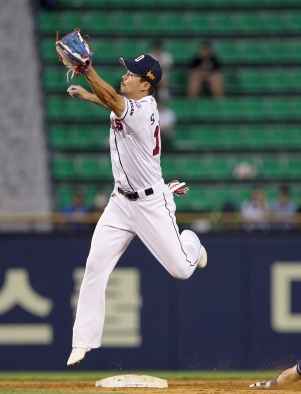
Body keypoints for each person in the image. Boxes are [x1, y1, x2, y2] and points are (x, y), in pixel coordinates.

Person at [64, 53, 208, 366]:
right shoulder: (131, 105)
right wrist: (90, 95)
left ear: (146, 85)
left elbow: (115, 103)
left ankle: (192, 243)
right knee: (95, 267)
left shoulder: (142, 109)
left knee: (181, 271)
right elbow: (113, 104)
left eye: (132, 74)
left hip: (150, 204)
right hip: (119, 203)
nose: (125, 75)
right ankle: (82, 342)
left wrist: (88, 71)